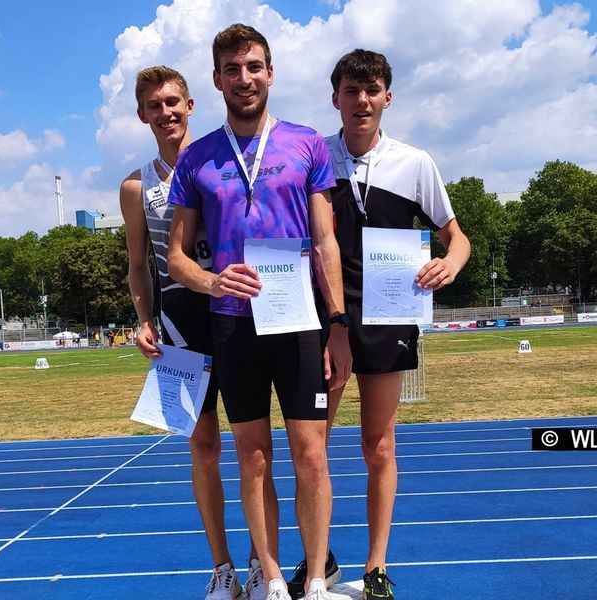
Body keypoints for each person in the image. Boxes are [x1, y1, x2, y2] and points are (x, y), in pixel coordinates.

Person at [167, 23, 351, 600]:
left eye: (253, 67)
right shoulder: (197, 158)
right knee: (252, 457)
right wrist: (210, 277)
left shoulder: (309, 144)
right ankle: (270, 577)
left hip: (298, 319)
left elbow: (325, 241)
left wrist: (339, 324)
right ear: (217, 79)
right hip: (231, 321)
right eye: (231, 69)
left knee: (312, 454)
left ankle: (316, 578)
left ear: (270, 72)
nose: (243, 79)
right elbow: (175, 258)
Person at [326, 49, 471, 600]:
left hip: (390, 316)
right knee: (311, 445)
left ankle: (375, 566)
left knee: (378, 445)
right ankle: (320, 560)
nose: (361, 100)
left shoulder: (415, 163)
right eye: (350, 90)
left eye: (372, 90)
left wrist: (449, 263)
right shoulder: (316, 157)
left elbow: (457, 238)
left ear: (387, 96)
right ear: (334, 97)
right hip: (329, 320)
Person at [119, 65, 258, 600]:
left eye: (173, 102)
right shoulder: (136, 186)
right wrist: (144, 320)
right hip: (180, 322)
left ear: (192, 104)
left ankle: (257, 561)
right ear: (142, 114)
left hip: (234, 311)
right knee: (203, 445)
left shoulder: (220, 163)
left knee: (252, 443)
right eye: (155, 105)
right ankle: (222, 567)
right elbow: (138, 264)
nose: (166, 113)